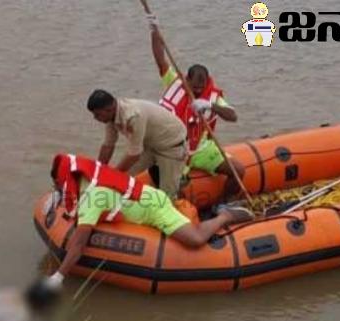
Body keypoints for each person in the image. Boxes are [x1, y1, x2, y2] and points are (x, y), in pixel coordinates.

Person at [40, 154, 253, 291]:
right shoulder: (89, 179)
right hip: (144, 200)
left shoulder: (91, 200)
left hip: (154, 208)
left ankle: (227, 215)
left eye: (58, 186)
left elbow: (77, 245)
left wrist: (59, 276)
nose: (59, 189)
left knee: (195, 239)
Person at [147, 14, 246, 199]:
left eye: (202, 86)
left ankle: (221, 204)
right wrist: (154, 32)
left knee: (238, 171)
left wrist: (210, 106)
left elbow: (233, 116)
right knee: (177, 190)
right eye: (195, 87)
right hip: (175, 149)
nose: (199, 90)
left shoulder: (212, 95)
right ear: (187, 79)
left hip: (202, 148)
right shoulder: (174, 83)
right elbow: (160, 59)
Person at [88, 89, 188, 199]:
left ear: (109, 109)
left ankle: (178, 192)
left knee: (167, 195)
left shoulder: (133, 116)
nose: (95, 118)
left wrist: (113, 175)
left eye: (97, 115)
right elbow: (108, 145)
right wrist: (98, 173)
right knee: (123, 178)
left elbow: (134, 154)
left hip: (171, 146)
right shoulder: (110, 117)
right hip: (150, 145)